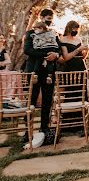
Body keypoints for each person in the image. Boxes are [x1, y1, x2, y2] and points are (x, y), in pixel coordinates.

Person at [24, 8, 60, 140]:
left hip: (49, 73)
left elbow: (58, 49)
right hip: (34, 70)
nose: (49, 22)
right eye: (48, 19)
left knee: (47, 100)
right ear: (41, 18)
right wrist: (46, 55)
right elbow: (27, 50)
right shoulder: (30, 33)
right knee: (31, 100)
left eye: (51, 19)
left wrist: (55, 55)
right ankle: (27, 131)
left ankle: (45, 128)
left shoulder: (53, 34)